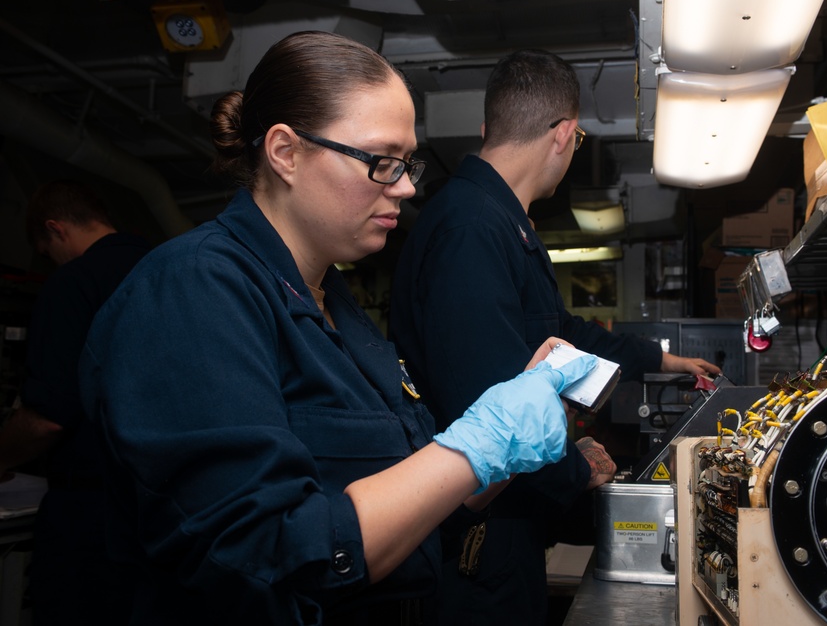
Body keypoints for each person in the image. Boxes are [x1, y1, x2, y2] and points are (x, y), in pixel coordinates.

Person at [77, 31, 597, 626]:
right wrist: (479, 443)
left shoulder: (337, 306)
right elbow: (269, 554)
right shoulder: (193, 290)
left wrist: (501, 441)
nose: (405, 186)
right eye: (381, 162)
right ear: (286, 153)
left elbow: (421, 508)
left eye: (408, 164)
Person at [389, 48, 721, 625]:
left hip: (506, 512)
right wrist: (574, 468)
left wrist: (666, 360)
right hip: (477, 536)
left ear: (490, 127)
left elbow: (561, 333)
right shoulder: (472, 228)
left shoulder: (500, 220)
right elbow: (489, 412)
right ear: (565, 135)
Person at [0, 179, 150, 625]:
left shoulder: (73, 284)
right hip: (164, 512)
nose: (51, 262)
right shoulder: (172, 268)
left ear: (56, 229)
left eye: (47, 252)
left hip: (91, 515)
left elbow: (48, 418)